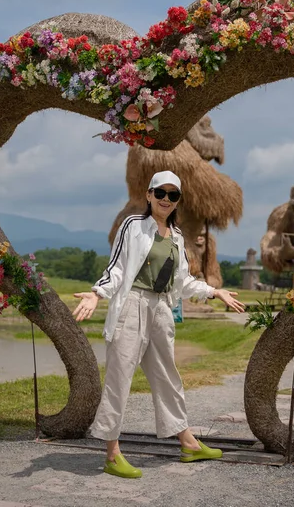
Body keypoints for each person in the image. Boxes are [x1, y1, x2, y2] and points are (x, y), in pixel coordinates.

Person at [73, 170, 246, 479]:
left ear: (178, 201)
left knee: (168, 377)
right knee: (120, 377)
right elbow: (117, 267)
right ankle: (112, 454)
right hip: (133, 306)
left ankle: (188, 444)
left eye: (173, 195)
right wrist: (97, 294)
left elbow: (183, 281)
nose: (166, 199)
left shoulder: (177, 237)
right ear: (149, 195)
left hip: (162, 309)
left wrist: (214, 290)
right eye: (161, 193)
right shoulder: (133, 226)